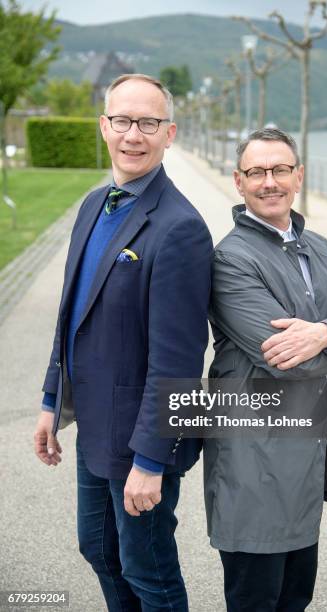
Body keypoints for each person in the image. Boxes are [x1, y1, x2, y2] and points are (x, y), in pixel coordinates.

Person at [34, 73, 213, 612]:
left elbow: (178, 360)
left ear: (170, 133)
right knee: (99, 551)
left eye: (149, 123)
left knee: (148, 569)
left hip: (140, 441)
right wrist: (51, 400)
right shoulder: (93, 205)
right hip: (94, 425)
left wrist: (152, 461)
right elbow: (72, 316)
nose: (133, 134)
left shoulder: (180, 227)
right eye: (122, 121)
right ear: (104, 126)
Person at [204, 127, 327, 612]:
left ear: (298, 176)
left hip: (306, 455)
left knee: (295, 598)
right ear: (238, 182)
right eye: (256, 172)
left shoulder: (318, 246)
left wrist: (325, 333)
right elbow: (282, 358)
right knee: (256, 599)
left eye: (280, 169)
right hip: (253, 461)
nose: (269, 182)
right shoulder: (229, 259)